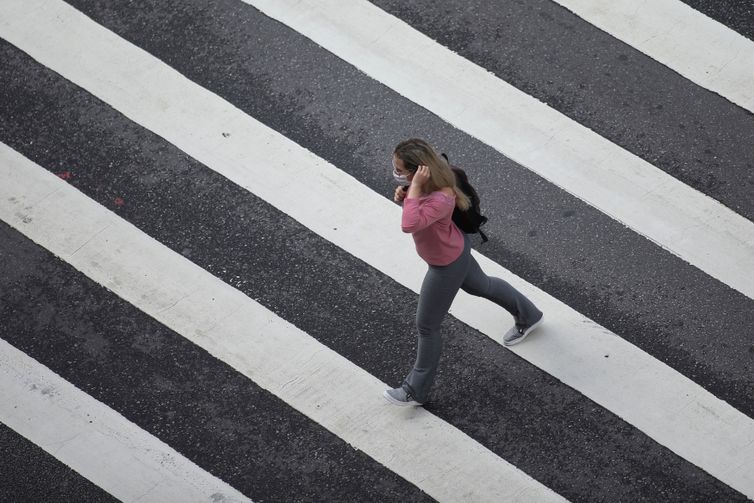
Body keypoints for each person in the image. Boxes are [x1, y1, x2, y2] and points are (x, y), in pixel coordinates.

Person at [383, 138, 544, 407]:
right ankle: (529, 315)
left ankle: (414, 390)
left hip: (445, 264)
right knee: (482, 286)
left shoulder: (441, 196)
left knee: (427, 326)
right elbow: (418, 213)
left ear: (419, 170)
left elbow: (410, 224)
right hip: (455, 248)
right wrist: (408, 193)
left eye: (400, 169)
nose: (396, 172)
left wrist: (412, 194)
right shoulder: (429, 181)